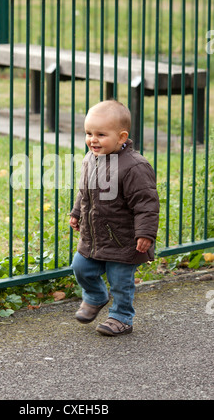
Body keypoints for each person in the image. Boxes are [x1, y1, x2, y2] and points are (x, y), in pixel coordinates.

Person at [69, 100, 159, 336]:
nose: (92, 140)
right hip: (94, 236)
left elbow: (146, 204)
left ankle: (121, 317)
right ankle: (96, 296)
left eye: (100, 134)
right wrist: (77, 212)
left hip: (123, 239)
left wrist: (145, 233)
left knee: (120, 280)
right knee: (80, 267)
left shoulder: (134, 167)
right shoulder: (91, 159)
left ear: (121, 137)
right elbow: (85, 191)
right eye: (89, 133)